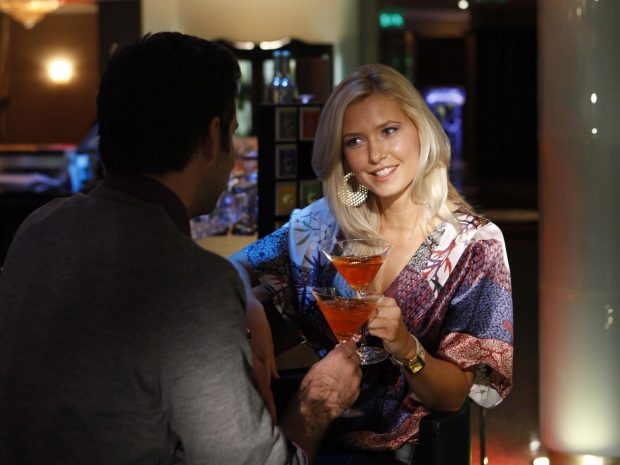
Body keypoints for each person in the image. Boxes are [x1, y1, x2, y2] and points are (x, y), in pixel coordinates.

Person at [0, 32, 362, 465]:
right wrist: (320, 399)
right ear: (213, 136)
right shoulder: (193, 282)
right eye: (233, 133)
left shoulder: (41, 227)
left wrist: (243, 300)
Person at [230, 64, 513, 464]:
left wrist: (406, 347)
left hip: (401, 454)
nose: (376, 155)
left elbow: (453, 397)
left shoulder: (473, 244)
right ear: (342, 154)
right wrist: (250, 306)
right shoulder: (324, 225)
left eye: (389, 130)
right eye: (355, 140)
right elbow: (229, 271)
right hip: (310, 438)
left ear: (420, 129)